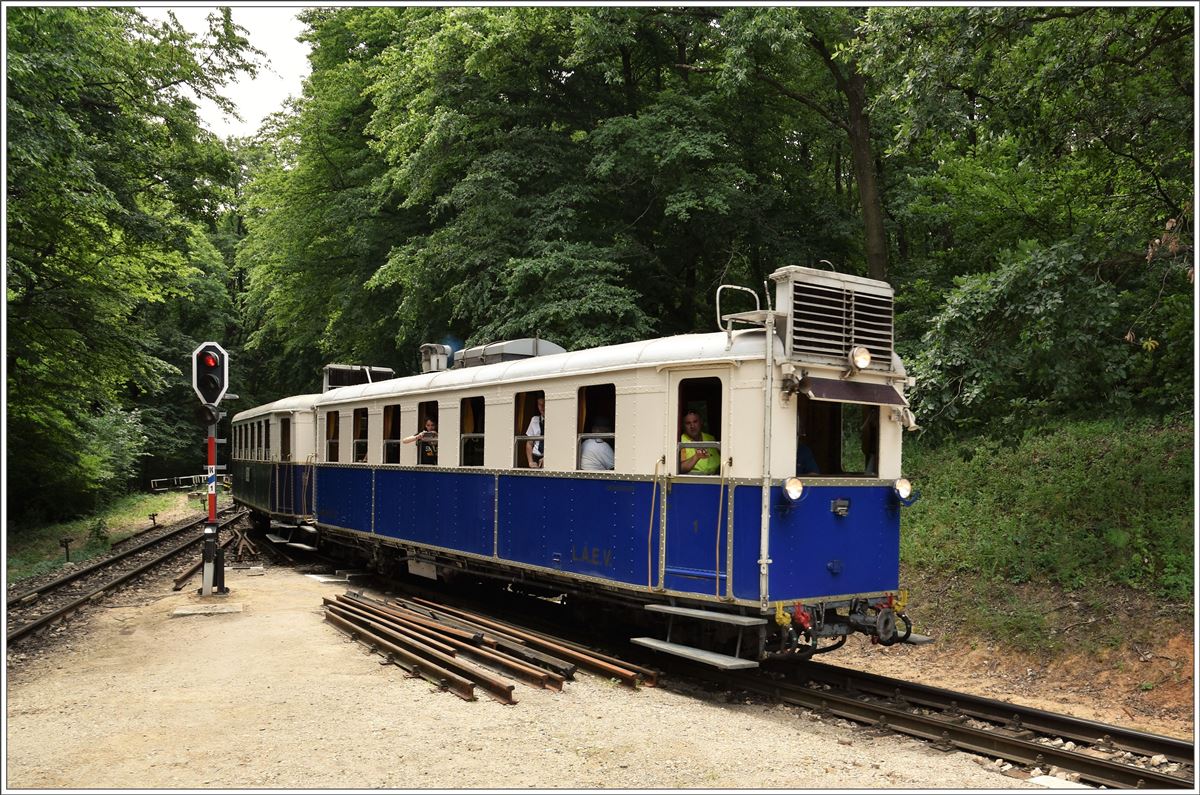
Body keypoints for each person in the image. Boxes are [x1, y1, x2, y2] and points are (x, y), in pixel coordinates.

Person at [679, 410, 720, 475]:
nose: (692, 426)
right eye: (688, 423)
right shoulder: (680, 441)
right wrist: (696, 457)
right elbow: (680, 468)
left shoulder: (710, 438)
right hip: (693, 481)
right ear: (683, 426)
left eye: (695, 422)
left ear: (701, 422)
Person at [525, 395, 545, 468]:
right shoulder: (534, 420)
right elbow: (529, 443)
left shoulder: (556, 420)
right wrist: (530, 461)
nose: (542, 407)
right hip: (535, 456)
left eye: (544, 404)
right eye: (539, 404)